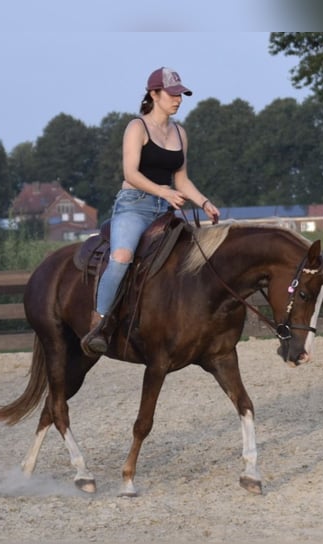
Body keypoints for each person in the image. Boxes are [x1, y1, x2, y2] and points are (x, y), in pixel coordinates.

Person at [81, 66, 221, 356]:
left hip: (164, 210)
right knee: (121, 257)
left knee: (190, 260)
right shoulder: (137, 127)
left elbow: (181, 180)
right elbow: (130, 173)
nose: (178, 100)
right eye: (172, 94)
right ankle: (100, 322)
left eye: (181, 94)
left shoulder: (180, 133)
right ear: (154, 94)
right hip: (134, 206)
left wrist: (205, 202)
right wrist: (163, 191)